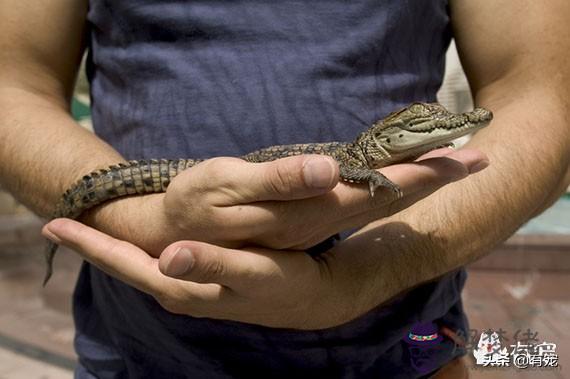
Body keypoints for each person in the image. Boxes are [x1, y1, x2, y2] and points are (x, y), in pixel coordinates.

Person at [1, 0, 568, 377]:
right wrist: (143, 221)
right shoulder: (359, 161)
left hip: (410, 353)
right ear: (399, 131)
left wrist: (369, 272)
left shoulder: (369, 153)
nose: (443, 126)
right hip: (138, 354)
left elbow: (547, 96)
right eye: (429, 120)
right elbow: (12, 84)